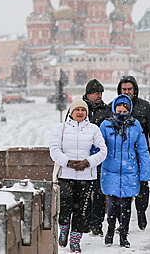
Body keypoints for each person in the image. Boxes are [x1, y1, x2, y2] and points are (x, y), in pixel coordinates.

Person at [49, 96, 107, 253]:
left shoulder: (94, 129)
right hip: (65, 175)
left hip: (86, 177)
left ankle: (75, 241)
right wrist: (68, 162)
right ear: (71, 112)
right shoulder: (61, 128)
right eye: (77, 110)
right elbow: (54, 150)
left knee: (81, 210)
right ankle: (64, 230)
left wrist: (87, 162)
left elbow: (103, 151)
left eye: (83, 110)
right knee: (65, 207)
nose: (80, 112)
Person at [100, 94, 150, 248]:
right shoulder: (106, 125)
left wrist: (145, 173)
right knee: (112, 205)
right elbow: (99, 147)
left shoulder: (135, 126)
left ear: (129, 110)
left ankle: (124, 234)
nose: (121, 112)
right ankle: (110, 229)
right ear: (114, 108)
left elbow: (143, 150)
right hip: (110, 170)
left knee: (126, 206)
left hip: (130, 171)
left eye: (125, 109)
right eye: (119, 109)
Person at [116, 76, 150, 231]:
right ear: (119, 90)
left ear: (135, 90)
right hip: (121, 157)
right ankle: (123, 220)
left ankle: (141, 212)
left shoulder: (145, 107)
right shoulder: (114, 107)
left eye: (130, 89)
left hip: (140, 155)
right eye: (124, 89)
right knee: (122, 188)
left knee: (142, 187)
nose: (127, 92)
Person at [82, 79, 112, 237]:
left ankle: (97, 223)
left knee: (99, 193)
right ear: (88, 94)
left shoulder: (106, 110)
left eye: (101, 93)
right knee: (84, 190)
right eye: (96, 93)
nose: (100, 96)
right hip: (83, 157)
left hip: (100, 157)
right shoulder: (79, 109)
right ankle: (85, 222)